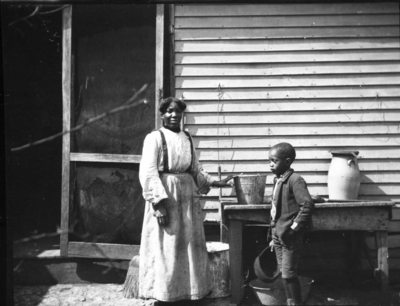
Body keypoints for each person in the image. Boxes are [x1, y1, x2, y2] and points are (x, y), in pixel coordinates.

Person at [138, 97, 233, 303]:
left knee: (188, 243)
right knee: (167, 243)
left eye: (178, 112)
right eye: (169, 111)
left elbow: (195, 169)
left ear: (182, 115)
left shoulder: (187, 138)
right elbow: (148, 171)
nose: (174, 115)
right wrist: (158, 203)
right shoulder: (154, 138)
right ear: (162, 114)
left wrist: (216, 183)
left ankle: (188, 291)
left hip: (187, 195)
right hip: (166, 193)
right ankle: (165, 293)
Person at [268, 142, 315, 306]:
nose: (270, 164)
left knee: (288, 273)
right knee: (283, 272)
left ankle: (297, 304)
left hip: (290, 236)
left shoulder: (295, 180)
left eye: (274, 161)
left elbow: (307, 205)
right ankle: (290, 303)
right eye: (270, 161)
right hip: (279, 235)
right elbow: (275, 209)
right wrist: (273, 234)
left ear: (287, 162)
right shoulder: (278, 180)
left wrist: (293, 229)